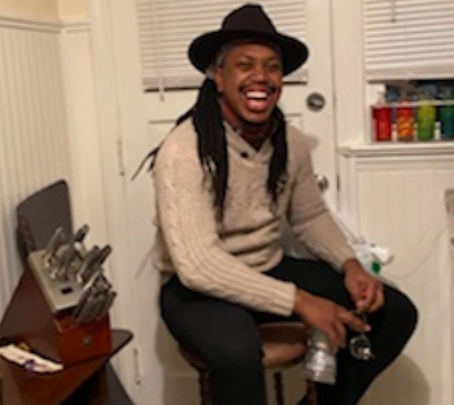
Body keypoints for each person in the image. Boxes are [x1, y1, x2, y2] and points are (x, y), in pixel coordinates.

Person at [150, 4, 418, 405]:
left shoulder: (288, 141)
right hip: (198, 290)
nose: (261, 76)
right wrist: (299, 301)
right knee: (237, 354)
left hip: (267, 267)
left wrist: (350, 265)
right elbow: (199, 264)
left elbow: (309, 216)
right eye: (244, 65)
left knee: (394, 312)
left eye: (272, 67)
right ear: (218, 77)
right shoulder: (183, 151)